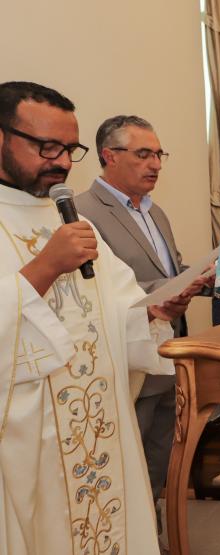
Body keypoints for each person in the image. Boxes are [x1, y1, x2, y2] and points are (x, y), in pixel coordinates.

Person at [0, 81, 179, 553]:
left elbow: (118, 310)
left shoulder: (75, 223)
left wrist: (154, 312)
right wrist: (44, 268)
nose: (61, 162)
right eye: (47, 147)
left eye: (69, 149)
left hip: (97, 430)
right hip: (27, 445)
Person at [74, 115, 213, 530]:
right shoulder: (81, 212)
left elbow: (170, 272)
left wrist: (204, 277)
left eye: (159, 154)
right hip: (129, 357)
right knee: (124, 460)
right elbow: (92, 289)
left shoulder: (156, 213)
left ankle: (152, 532)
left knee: (159, 458)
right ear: (109, 156)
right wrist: (167, 291)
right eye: (143, 154)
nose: (155, 164)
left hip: (170, 351)